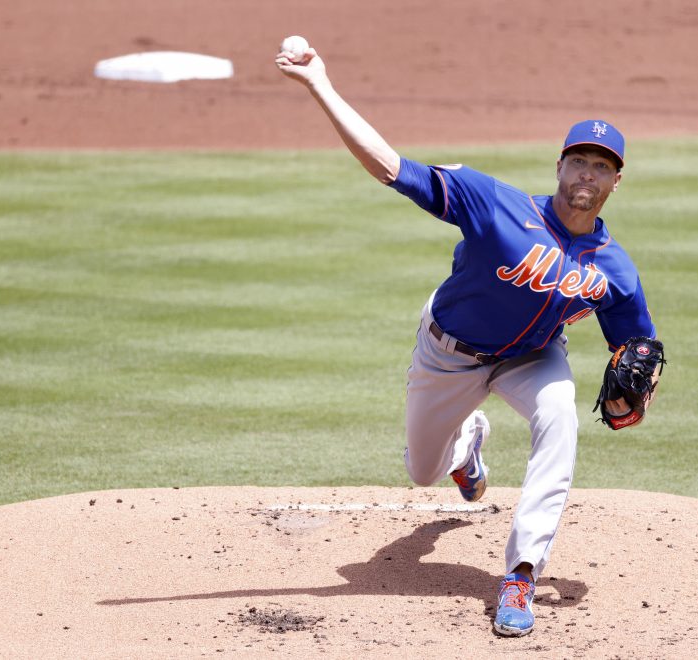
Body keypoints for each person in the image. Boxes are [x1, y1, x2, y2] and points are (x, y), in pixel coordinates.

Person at [276, 42, 657, 637]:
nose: (588, 173)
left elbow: (635, 349)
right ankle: (466, 448)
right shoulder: (493, 203)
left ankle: (521, 574)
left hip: (531, 358)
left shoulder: (615, 269)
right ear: (558, 167)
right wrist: (320, 85)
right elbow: (390, 168)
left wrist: (634, 391)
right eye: (578, 160)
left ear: (616, 180)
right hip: (446, 352)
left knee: (560, 418)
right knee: (423, 471)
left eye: (601, 165)